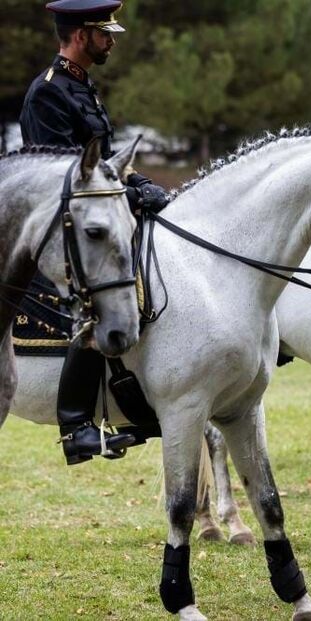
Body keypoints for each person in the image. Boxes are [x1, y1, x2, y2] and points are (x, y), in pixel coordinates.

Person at [19, 0, 170, 465]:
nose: (112, 40)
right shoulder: (48, 93)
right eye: (105, 33)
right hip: (65, 223)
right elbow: (66, 172)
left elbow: (101, 165)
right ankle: (76, 425)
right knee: (96, 301)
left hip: (94, 210)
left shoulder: (82, 87)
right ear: (81, 36)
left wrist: (141, 185)